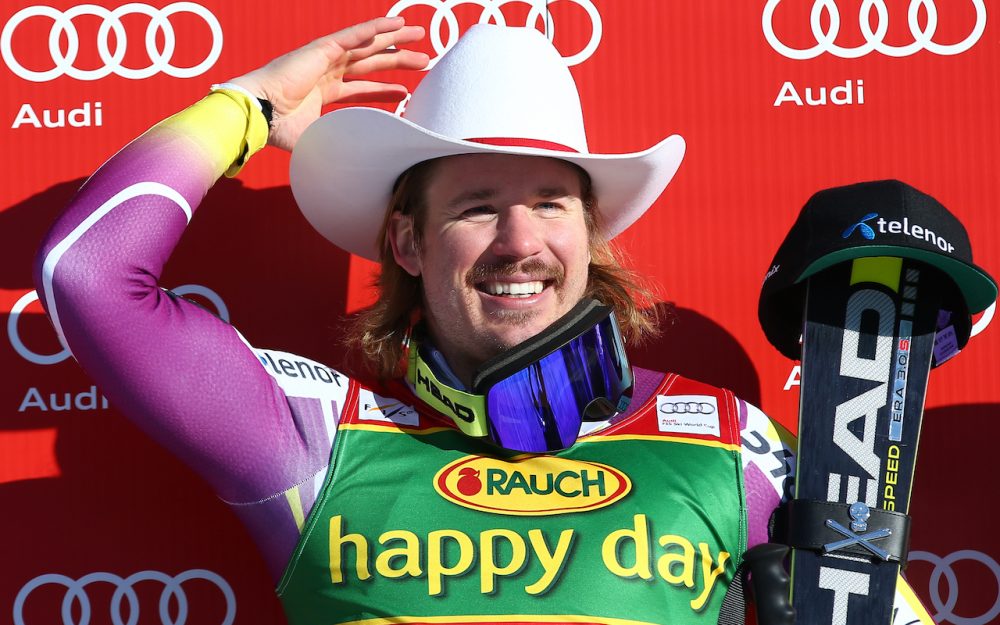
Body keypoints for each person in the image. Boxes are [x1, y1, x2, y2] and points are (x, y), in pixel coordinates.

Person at [33, 16, 935, 625]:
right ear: (408, 242)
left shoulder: (730, 440)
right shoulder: (311, 437)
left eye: (551, 202)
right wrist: (248, 107)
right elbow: (88, 274)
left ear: (591, 236)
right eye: (474, 207)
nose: (519, 241)